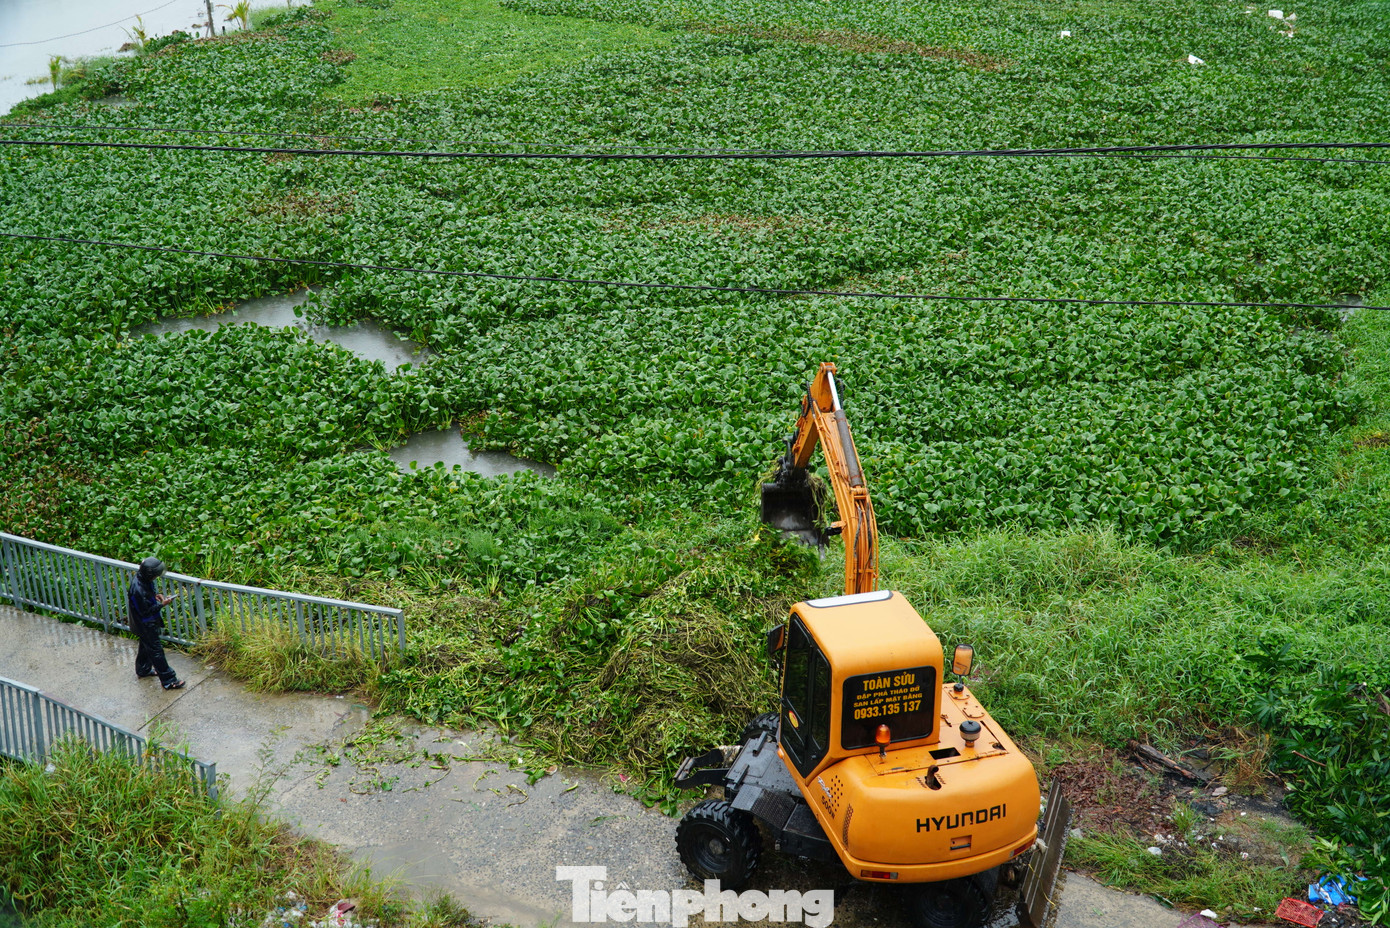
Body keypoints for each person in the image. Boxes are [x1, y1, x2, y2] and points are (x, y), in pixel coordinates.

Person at [127, 556, 185, 690]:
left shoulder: (142, 580)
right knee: (156, 651)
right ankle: (169, 680)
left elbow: (147, 594)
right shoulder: (138, 590)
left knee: (146, 646)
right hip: (146, 624)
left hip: (144, 623)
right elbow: (145, 611)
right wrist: (162, 604)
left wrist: (155, 595)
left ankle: (143, 669)